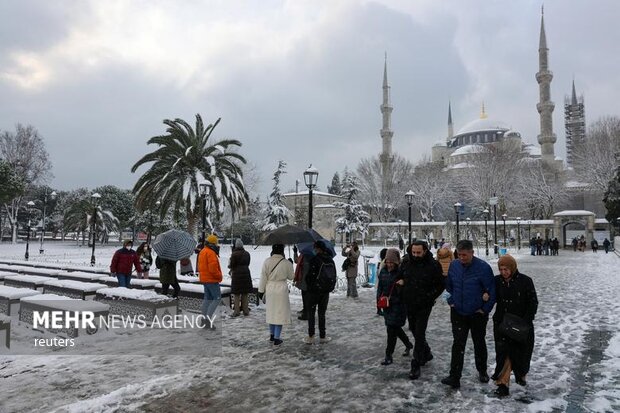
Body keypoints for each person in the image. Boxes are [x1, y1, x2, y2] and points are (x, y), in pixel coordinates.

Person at [441, 240, 496, 389]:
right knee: (458, 344)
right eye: (459, 255)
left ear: (472, 252)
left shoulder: (483, 268)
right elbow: (449, 286)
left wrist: (484, 310)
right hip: (458, 312)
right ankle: (454, 376)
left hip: (477, 313)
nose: (462, 258)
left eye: (465, 255)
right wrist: (451, 301)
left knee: (479, 342)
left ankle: (482, 370)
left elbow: (492, 291)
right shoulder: (454, 265)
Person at [491, 255, 538, 397]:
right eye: (501, 269)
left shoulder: (525, 281)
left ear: (513, 268)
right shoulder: (496, 281)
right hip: (502, 324)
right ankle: (502, 384)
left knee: (521, 354)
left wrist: (526, 321)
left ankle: (521, 374)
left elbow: (533, 302)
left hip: (520, 325)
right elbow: (491, 297)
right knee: (504, 354)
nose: (503, 272)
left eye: (506, 269)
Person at [397, 240, 444, 380]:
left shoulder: (433, 265)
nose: (416, 255)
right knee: (413, 328)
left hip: (424, 304)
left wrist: (430, 297)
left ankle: (416, 364)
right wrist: (401, 287)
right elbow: (399, 277)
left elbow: (441, 285)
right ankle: (427, 352)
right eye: (414, 252)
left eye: (419, 252)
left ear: (425, 251)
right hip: (409, 302)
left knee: (419, 332)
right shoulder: (406, 263)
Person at [377, 248, 413, 366]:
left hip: (398, 305)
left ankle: (388, 355)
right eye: (387, 262)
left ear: (397, 262)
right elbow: (380, 288)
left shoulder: (401, 273)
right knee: (395, 328)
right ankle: (408, 344)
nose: (389, 264)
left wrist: (402, 284)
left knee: (391, 330)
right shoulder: (383, 271)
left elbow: (405, 291)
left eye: (392, 262)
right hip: (386, 305)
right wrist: (379, 300)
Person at [258, 244, 294, 346]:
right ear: (282, 251)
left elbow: (263, 277)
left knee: (272, 312)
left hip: (270, 289)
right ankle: (277, 338)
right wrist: (290, 264)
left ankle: (272, 335)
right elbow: (291, 277)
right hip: (281, 290)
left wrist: (261, 291)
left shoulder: (267, 261)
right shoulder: (286, 263)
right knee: (279, 313)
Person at [304, 240, 335, 344]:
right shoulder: (330, 260)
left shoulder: (315, 260)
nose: (314, 250)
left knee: (311, 313)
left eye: (315, 248)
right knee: (322, 314)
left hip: (313, 291)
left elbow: (309, 276)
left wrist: (309, 284)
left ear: (318, 249)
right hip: (325, 291)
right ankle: (323, 335)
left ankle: (311, 336)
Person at [198, 234, 223, 329]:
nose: (217, 245)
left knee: (207, 299)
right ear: (213, 244)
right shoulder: (211, 253)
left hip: (205, 279)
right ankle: (207, 320)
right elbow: (213, 269)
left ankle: (203, 320)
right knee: (217, 299)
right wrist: (219, 276)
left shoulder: (203, 251)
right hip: (211, 279)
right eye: (216, 243)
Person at [229, 238, 253, 317]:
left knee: (236, 294)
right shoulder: (247, 253)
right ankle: (246, 310)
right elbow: (248, 263)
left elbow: (232, 265)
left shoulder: (234, 254)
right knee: (245, 293)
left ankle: (236, 311)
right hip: (246, 274)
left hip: (236, 275)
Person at [293, 244, 313, 321]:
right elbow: (296, 261)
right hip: (303, 280)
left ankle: (307, 313)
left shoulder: (308, 256)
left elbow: (297, 261)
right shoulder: (303, 255)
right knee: (304, 296)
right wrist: (295, 252)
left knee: (307, 297)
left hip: (307, 280)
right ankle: (305, 309)